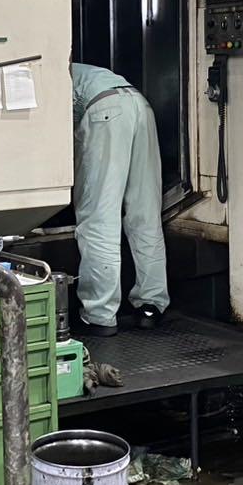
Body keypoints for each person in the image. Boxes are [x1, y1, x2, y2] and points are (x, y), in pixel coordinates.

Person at [70, 62, 170, 337]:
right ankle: (151, 305)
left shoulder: (40, 74)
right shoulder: (74, 66)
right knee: (145, 213)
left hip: (105, 111)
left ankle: (99, 315)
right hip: (139, 105)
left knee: (99, 217)